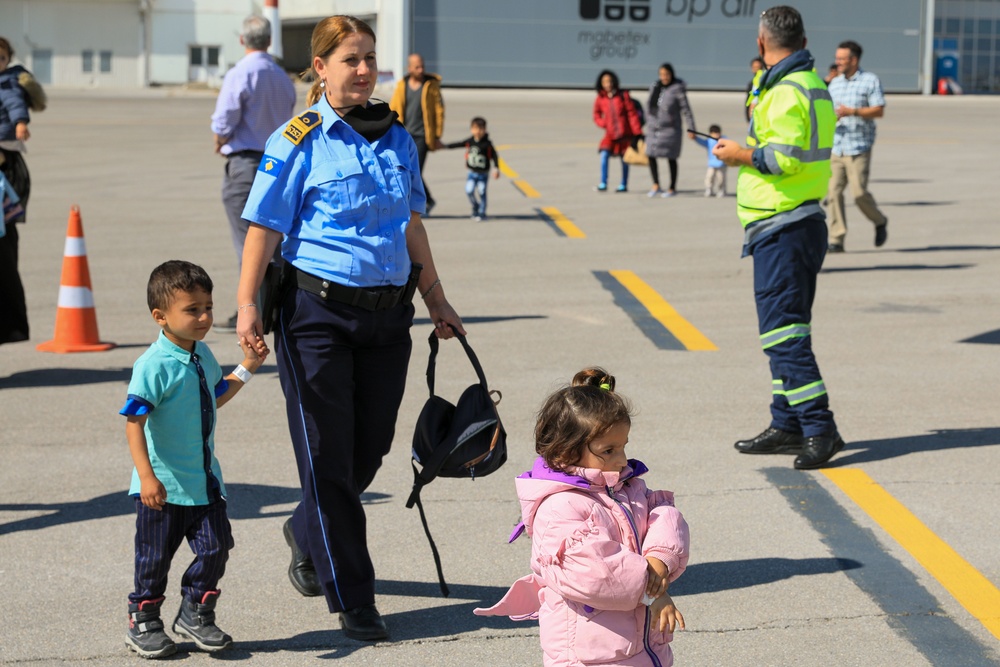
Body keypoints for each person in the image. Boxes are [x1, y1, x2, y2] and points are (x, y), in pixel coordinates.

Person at [235, 15, 464, 642]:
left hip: (390, 316)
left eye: (368, 58)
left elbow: (411, 225)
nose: (363, 70)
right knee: (328, 458)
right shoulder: (298, 137)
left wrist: (437, 297)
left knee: (369, 451)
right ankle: (353, 596)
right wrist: (248, 305)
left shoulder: (395, 136)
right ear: (321, 68)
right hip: (316, 318)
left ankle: (305, 526)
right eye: (349, 60)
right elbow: (263, 228)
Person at [474, 367, 690, 667]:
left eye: (624, 446)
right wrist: (651, 592)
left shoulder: (623, 485)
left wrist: (659, 559)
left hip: (641, 646)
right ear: (565, 451)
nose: (622, 459)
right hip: (591, 656)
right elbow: (595, 572)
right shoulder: (559, 507)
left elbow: (663, 514)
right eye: (609, 450)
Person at [712, 5, 846, 470]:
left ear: (762, 42)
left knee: (784, 335)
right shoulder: (806, 85)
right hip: (790, 222)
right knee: (783, 333)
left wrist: (739, 154)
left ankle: (818, 427)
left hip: (785, 224)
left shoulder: (790, 90)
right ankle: (786, 422)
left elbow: (783, 159)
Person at [120, 260, 267, 659]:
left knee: (217, 547)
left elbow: (214, 396)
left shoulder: (201, 353)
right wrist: (146, 478)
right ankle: (144, 620)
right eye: (192, 309)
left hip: (204, 482)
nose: (204, 317)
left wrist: (249, 367)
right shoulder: (153, 365)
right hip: (163, 489)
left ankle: (195, 612)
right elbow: (134, 421)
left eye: (208, 307)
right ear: (160, 316)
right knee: (154, 559)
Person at [210, 15, 297, 330]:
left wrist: (220, 138)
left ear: (243, 40)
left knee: (247, 242)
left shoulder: (241, 73)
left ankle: (254, 307)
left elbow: (225, 118)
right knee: (275, 239)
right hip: (278, 164)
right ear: (269, 41)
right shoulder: (281, 76)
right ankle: (279, 305)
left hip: (247, 162)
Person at [826, 40, 888, 253]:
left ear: (854, 60)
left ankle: (879, 220)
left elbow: (879, 110)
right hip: (837, 146)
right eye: (837, 58)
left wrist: (853, 112)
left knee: (859, 193)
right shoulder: (835, 83)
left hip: (859, 147)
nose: (837, 63)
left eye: (841, 59)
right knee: (833, 192)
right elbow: (830, 110)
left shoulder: (870, 81)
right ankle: (837, 238)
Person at [0, 36, 33, 345]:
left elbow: (17, 106)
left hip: (5, 168)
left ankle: (9, 326)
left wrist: (20, 122)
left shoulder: (8, 85)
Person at [389, 53, 444, 215]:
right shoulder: (402, 85)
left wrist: (437, 135)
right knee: (408, 170)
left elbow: (439, 111)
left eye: (422, 66)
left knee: (414, 170)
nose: (421, 70)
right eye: (417, 67)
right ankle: (425, 201)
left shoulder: (430, 85)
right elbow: (394, 108)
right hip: (405, 135)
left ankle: (421, 204)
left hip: (422, 136)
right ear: (409, 68)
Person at [645, 63, 695, 198]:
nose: (664, 77)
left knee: (671, 157)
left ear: (672, 74)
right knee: (650, 154)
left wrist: (691, 128)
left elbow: (686, 110)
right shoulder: (655, 87)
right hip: (653, 129)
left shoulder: (677, 89)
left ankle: (672, 187)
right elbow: (648, 107)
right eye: (661, 75)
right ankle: (655, 184)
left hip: (671, 130)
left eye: (666, 74)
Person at [592, 70, 642, 193]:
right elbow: (596, 114)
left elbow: (632, 114)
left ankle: (623, 184)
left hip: (624, 134)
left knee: (625, 160)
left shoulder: (623, 95)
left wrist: (637, 132)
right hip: (610, 134)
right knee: (604, 155)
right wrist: (603, 123)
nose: (607, 84)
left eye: (609, 81)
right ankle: (603, 182)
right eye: (604, 82)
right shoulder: (600, 98)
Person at [442, 116, 500, 221]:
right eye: (475, 128)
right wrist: (445, 146)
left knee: (482, 191)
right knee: (469, 190)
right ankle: (475, 206)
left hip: (483, 173)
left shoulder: (487, 144)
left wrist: (496, 168)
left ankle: (482, 212)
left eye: (481, 128)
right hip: (472, 172)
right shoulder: (470, 141)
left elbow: (495, 156)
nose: (478, 131)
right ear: (471, 129)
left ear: (485, 130)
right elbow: (459, 144)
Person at [691, 124, 727, 197]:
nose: (716, 135)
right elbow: (702, 142)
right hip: (711, 164)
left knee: (721, 179)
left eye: (718, 133)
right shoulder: (709, 141)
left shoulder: (724, 140)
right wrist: (695, 138)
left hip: (722, 164)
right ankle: (709, 189)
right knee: (709, 178)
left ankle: (721, 190)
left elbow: (730, 146)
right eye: (714, 133)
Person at [745, 56, 765, 122]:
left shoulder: (759, 80)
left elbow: (754, 99)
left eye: (758, 67)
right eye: (754, 67)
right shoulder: (753, 82)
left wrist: (751, 119)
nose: (755, 70)